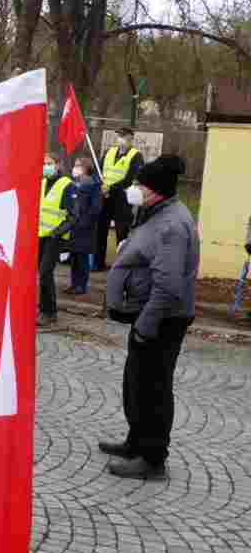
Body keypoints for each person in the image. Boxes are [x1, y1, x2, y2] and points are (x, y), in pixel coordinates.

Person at [102, 155, 198, 481]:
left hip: (161, 320)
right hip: (149, 316)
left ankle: (153, 458)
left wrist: (145, 324)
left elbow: (169, 285)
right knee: (136, 382)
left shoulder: (172, 225)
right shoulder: (156, 213)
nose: (135, 189)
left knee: (153, 388)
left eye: (140, 185)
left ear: (155, 190)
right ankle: (136, 442)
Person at [94, 127, 144, 271]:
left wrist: (111, 187)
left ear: (130, 138)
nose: (120, 139)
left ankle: (121, 265)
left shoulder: (136, 156)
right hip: (105, 196)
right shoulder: (109, 152)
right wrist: (102, 186)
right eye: (119, 136)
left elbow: (130, 178)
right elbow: (100, 170)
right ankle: (98, 263)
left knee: (122, 231)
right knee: (101, 229)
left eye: (123, 136)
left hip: (122, 199)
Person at [38, 153, 78, 327]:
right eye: (44, 163)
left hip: (55, 237)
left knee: (45, 272)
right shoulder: (42, 182)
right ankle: (43, 307)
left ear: (58, 165)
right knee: (41, 274)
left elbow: (73, 216)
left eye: (49, 163)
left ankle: (49, 312)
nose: (46, 166)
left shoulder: (67, 185)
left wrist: (56, 233)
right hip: (39, 235)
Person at [65, 159, 102, 295]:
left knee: (82, 257)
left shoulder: (94, 184)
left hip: (85, 226)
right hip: (74, 225)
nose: (76, 168)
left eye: (79, 165)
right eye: (75, 165)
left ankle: (82, 285)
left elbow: (96, 207)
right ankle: (74, 283)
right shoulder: (74, 183)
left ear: (86, 168)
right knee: (74, 257)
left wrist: (84, 221)